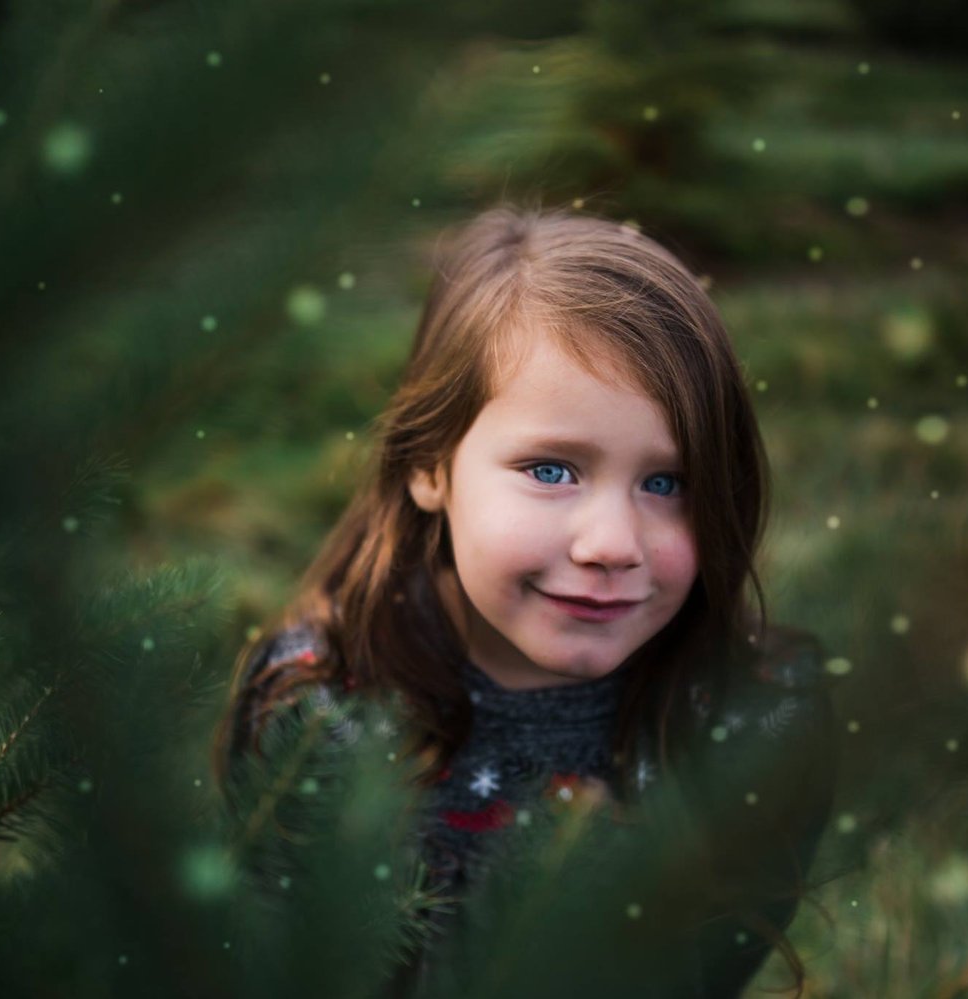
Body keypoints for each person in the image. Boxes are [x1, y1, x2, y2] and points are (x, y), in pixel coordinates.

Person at [211, 202, 839, 997]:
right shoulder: (320, 712)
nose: (611, 542)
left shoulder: (752, 722)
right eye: (552, 469)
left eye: (666, 482)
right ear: (430, 464)